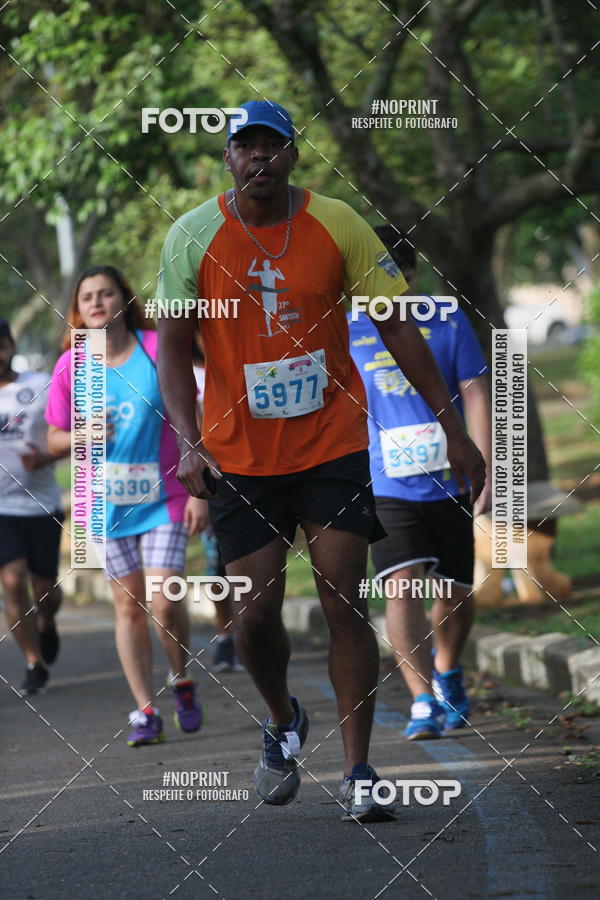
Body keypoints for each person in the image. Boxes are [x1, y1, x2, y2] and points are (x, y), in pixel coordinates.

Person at [154, 100, 485, 821]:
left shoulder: (337, 222)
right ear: (228, 159)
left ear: (293, 155)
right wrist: (186, 439)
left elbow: (395, 324)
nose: (259, 159)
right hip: (239, 454)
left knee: (344, 599)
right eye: (245, 147)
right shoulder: (191, 235)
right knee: (254, 615)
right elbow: (174, 349)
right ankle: (281, 719)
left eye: (272, 146)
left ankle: (360, 769)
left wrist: (451, 426)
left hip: (333, 442)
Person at [46, 266, 205, 746]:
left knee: (163, 600)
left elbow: (195, 417)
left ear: (123, 300)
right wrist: (80, 435)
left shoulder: (157, 349)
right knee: (129, 607)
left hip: (167, 494)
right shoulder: (71, 366)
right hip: (104, 505)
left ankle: (181, 678)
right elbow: (52, 436)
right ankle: (145, 710)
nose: (96, 302)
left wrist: (204, 494)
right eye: (87, 296)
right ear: (78, 309)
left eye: (105, 293)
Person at [349, 227, 492, 739]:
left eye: (395, 276)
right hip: (383, 481)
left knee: (454, 590)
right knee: (401, 583)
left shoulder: (446, 317)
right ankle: (422, 699)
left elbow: (474, 392)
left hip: (450, 477)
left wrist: (486, 460)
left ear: (412, 275)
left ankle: (448, 669)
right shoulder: (345, 324)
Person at [0, 317, 63, 694]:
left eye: (1, 343)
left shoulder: (40, 385)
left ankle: (47, 623)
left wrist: (44, 458)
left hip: (42, 505)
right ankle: (32, 661)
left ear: (11, 345)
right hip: (1, 510)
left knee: (46, 592)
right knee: (11, 582)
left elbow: (62, 435)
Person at [191, 331, 243, 673]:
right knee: (217, 565)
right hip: (212, 479)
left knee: (254, 560)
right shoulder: (182, 371)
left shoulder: (237, 359)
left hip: (252, 470)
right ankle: (226, 635)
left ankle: (252, 633)